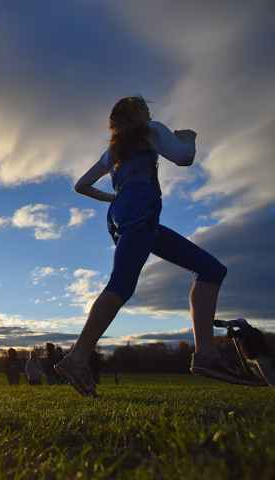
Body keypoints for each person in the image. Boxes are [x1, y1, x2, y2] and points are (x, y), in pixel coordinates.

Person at [55, 96, 244, 397]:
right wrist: (189, 138)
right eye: (146, 111)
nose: (150, 115)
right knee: (121, 285)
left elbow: (81, 185)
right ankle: (77, 357)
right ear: (140, 115)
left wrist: (113, 198)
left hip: (129, 215)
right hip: (140, 211)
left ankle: (205, 354)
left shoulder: (113, 152)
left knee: (210, 269)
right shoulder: (151, 130)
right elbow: (184, 158)